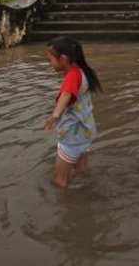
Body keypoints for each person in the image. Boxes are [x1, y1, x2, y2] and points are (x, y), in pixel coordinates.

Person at [43, 37, 101, 188]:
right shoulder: (83, 72)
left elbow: (67, 94)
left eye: (50, 60)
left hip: (73, 134)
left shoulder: (72, 75)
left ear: (63, 58)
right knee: (81, 171)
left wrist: (55, 115)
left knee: (58, 180)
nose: (49, 64)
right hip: (86, 130)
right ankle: (84, 195)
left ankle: (66, 207)